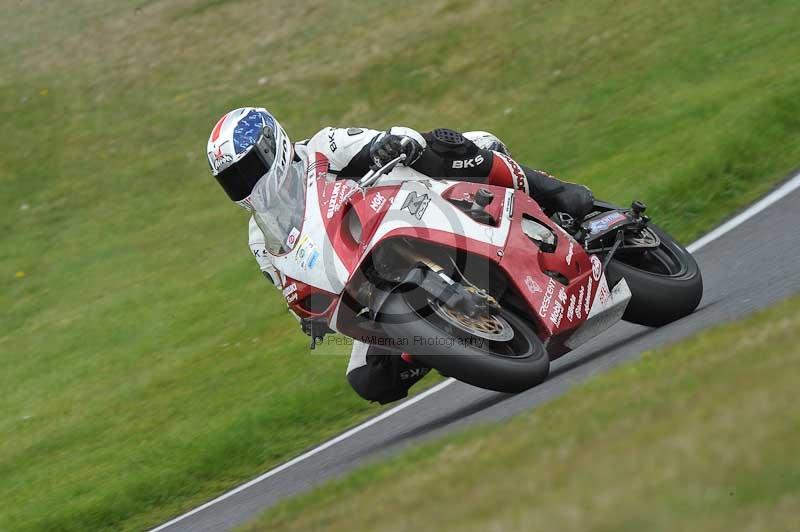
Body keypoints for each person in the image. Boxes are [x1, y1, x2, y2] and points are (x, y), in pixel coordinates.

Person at [207, 107, 593, 404]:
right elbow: (295, 292)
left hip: (418, 204)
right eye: (233, 181)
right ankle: (430, 342)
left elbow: (381, 141)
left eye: (249, 170)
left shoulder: (322, 148)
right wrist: (318, 312)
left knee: (440, 147)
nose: (246, 185)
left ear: (271, 146)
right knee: (368, 379)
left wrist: (385, 146)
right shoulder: (261, 238)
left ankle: (554, 191)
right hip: (366, 273)